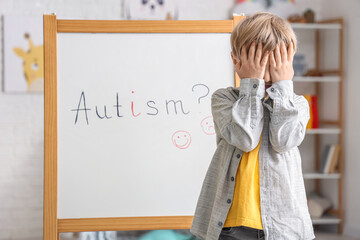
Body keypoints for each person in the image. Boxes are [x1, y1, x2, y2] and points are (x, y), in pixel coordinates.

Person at [189, 12, 315, 240]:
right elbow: (244, 138)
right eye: (258, 64)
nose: (266, 74)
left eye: (276, 64)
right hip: (229, 226)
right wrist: (251, 84)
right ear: (237, 61)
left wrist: (284, 86)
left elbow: (284, 141)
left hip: (284, 226)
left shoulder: (296, 103)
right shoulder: (224, 99)